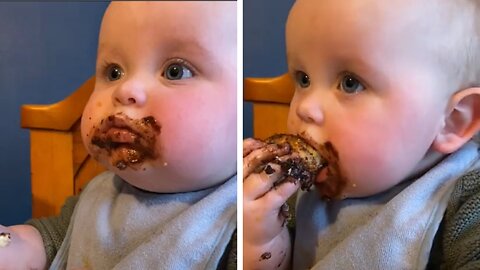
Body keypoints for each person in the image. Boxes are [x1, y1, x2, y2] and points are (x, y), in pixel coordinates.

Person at [243, 0, 480, 269]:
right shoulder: (294, 193)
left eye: (350, 83)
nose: (305, 107)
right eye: (303, 79)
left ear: (452, 121)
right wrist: (260, 242)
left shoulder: (468, 205)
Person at [0, 2, 237, 269]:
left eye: (175, 71)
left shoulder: (245, 217)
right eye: (114, 72)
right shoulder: (97, 198)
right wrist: (13, 244)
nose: (126, 89)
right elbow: (52, 243)